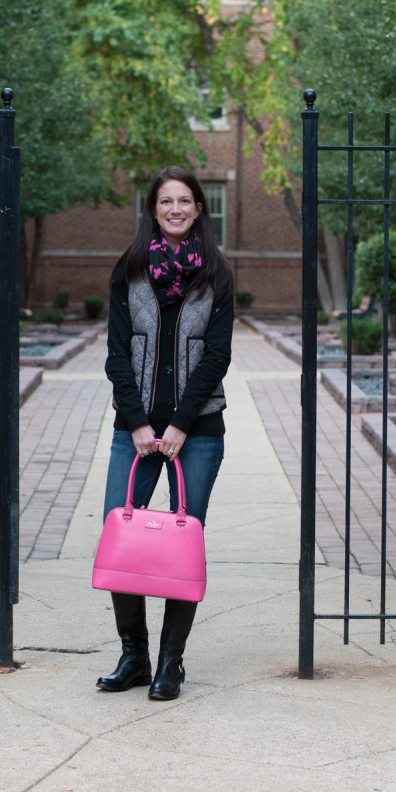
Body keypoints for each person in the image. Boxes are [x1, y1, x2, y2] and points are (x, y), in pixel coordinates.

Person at [97, 165, 234, 701]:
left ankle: (171, 664)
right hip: (133, 433)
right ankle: (134, 656)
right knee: (120, 536)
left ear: (199, 208)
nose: (175, 209)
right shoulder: (128, 272)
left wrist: (178, 424)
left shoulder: (218, 275)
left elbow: (217, 356)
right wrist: (138, 423)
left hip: (198, 433)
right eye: (165, 202)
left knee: (182, 545)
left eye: (185, 201)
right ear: (153, 210)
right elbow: (117, 356)